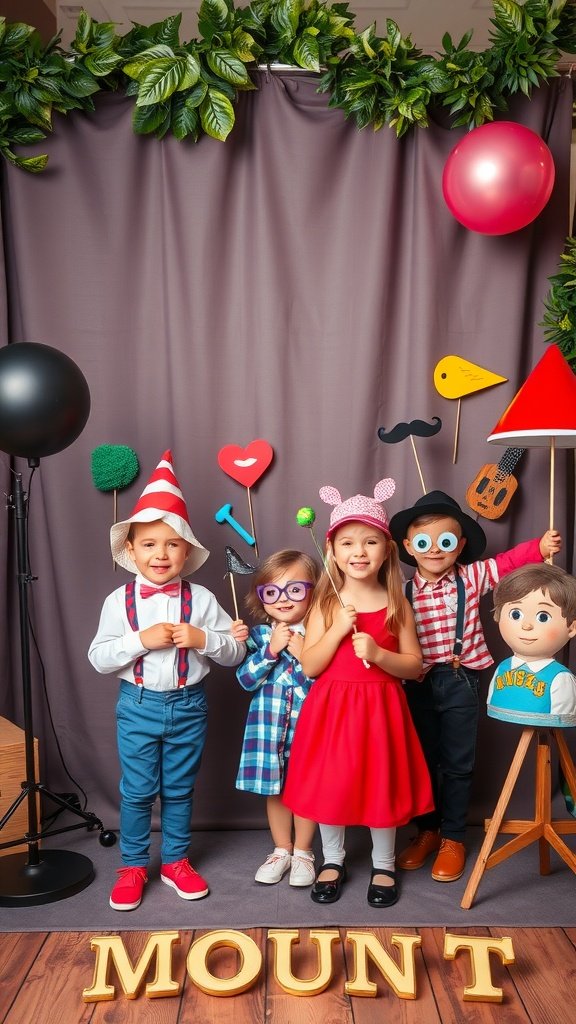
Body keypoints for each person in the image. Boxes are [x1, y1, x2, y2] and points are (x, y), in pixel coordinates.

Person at [88, 450, 246, 911]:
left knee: (179, 789)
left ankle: (176, 860)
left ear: (187, 551)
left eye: (172, 543)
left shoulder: (202, 598)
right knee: (137, 791)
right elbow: (98, 657)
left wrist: (203, 639)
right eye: (150, 544)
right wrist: (139, 640)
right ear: (132, 550)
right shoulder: (119, 602)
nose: (161, 553)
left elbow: (235, 654)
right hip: (137, 705)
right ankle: (134, 864)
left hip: (190, 704)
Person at [388, 490, 562, 883]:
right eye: (424, 542)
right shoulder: (399, 590)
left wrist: (539, 545)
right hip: (414, 683)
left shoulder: (471, 576)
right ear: (408, 547)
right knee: (422, 760)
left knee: (457, 763)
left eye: (445, 542)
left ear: (460, 545)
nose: (435, 550)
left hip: (459, 677)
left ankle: (453, 837)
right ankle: (427, 831)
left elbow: (509, 562)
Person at [282, 480, 434, 908]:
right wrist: (335, 630)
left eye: (369, 542)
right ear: (331, 551)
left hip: (380, 708)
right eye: (347, 542)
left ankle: (384, 864)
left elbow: (414, 665)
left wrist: (379, 653)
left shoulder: (396, 602)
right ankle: (334, 860)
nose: (359, 552)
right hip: (331, 709)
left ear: (387, 549)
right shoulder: (325, 605)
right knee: (333, 785)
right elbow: (310, 666)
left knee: (378, 785)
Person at [233, 549, 320, 887]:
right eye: (272, 592)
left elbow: (324, 687)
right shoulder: (258, 637)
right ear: (262, 598)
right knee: (276, 791)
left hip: (308, 731)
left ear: (312, 591)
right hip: (267, 731)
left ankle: (303, 853)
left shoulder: (319, 637)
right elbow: (244, 681)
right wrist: (270, 651)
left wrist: (302, 654)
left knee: (306, 789)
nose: (283, 599)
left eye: (295, 590)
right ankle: (281, 850)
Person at [488, 562, 576, 728]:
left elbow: (563, 712)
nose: (526, 625)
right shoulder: (502, 668)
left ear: (572, 627)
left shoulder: (560, 679)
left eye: (543, 617)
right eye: (516, 614)